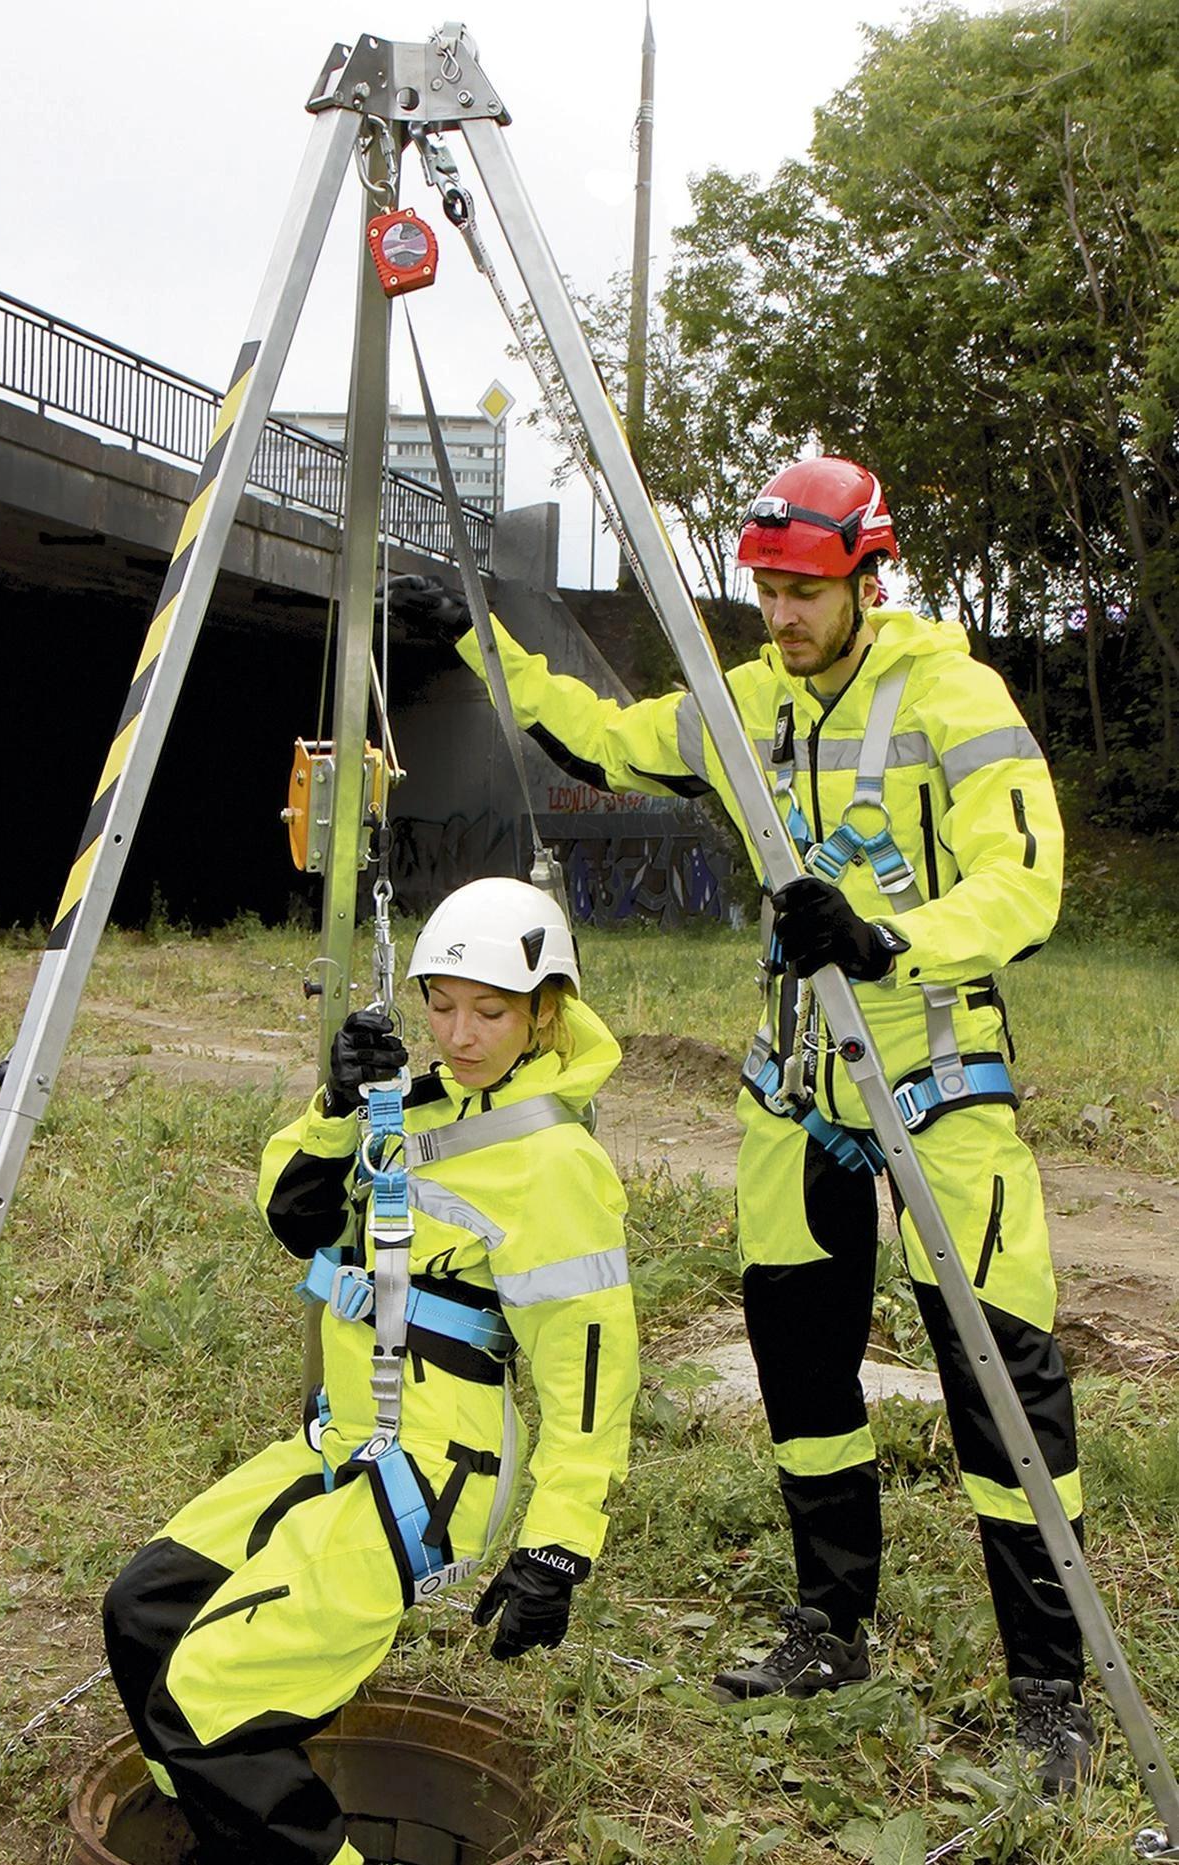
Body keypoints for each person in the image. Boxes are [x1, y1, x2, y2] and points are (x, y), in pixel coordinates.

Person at [391, 456, 1092, 1793]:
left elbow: (1027, 880)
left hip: (940, 1086)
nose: (778, 614)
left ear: (865, 579)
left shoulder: (952, 696)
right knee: (802, 1371)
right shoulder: (743, 703)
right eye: (764, 588)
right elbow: (600, 735)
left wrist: (892, 937)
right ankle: (830, 1626)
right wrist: (476, 634)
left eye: (803, 591)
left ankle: (1046, 1688)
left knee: (999, 1386)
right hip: (794, 1090)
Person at [103, 877, 640, 1865]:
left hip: (428, 1471)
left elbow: (590, 1369)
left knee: (211, 1701)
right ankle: (225, 1828)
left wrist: (560, 1543)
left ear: (543, 1010)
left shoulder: (553, 1161)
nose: (460, 1031)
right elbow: (293, 1216)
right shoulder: (413, 1104)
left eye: (490, 1010)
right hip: (341, 1435)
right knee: (144, 1613)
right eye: (441, 1003)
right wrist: (337, 1108)